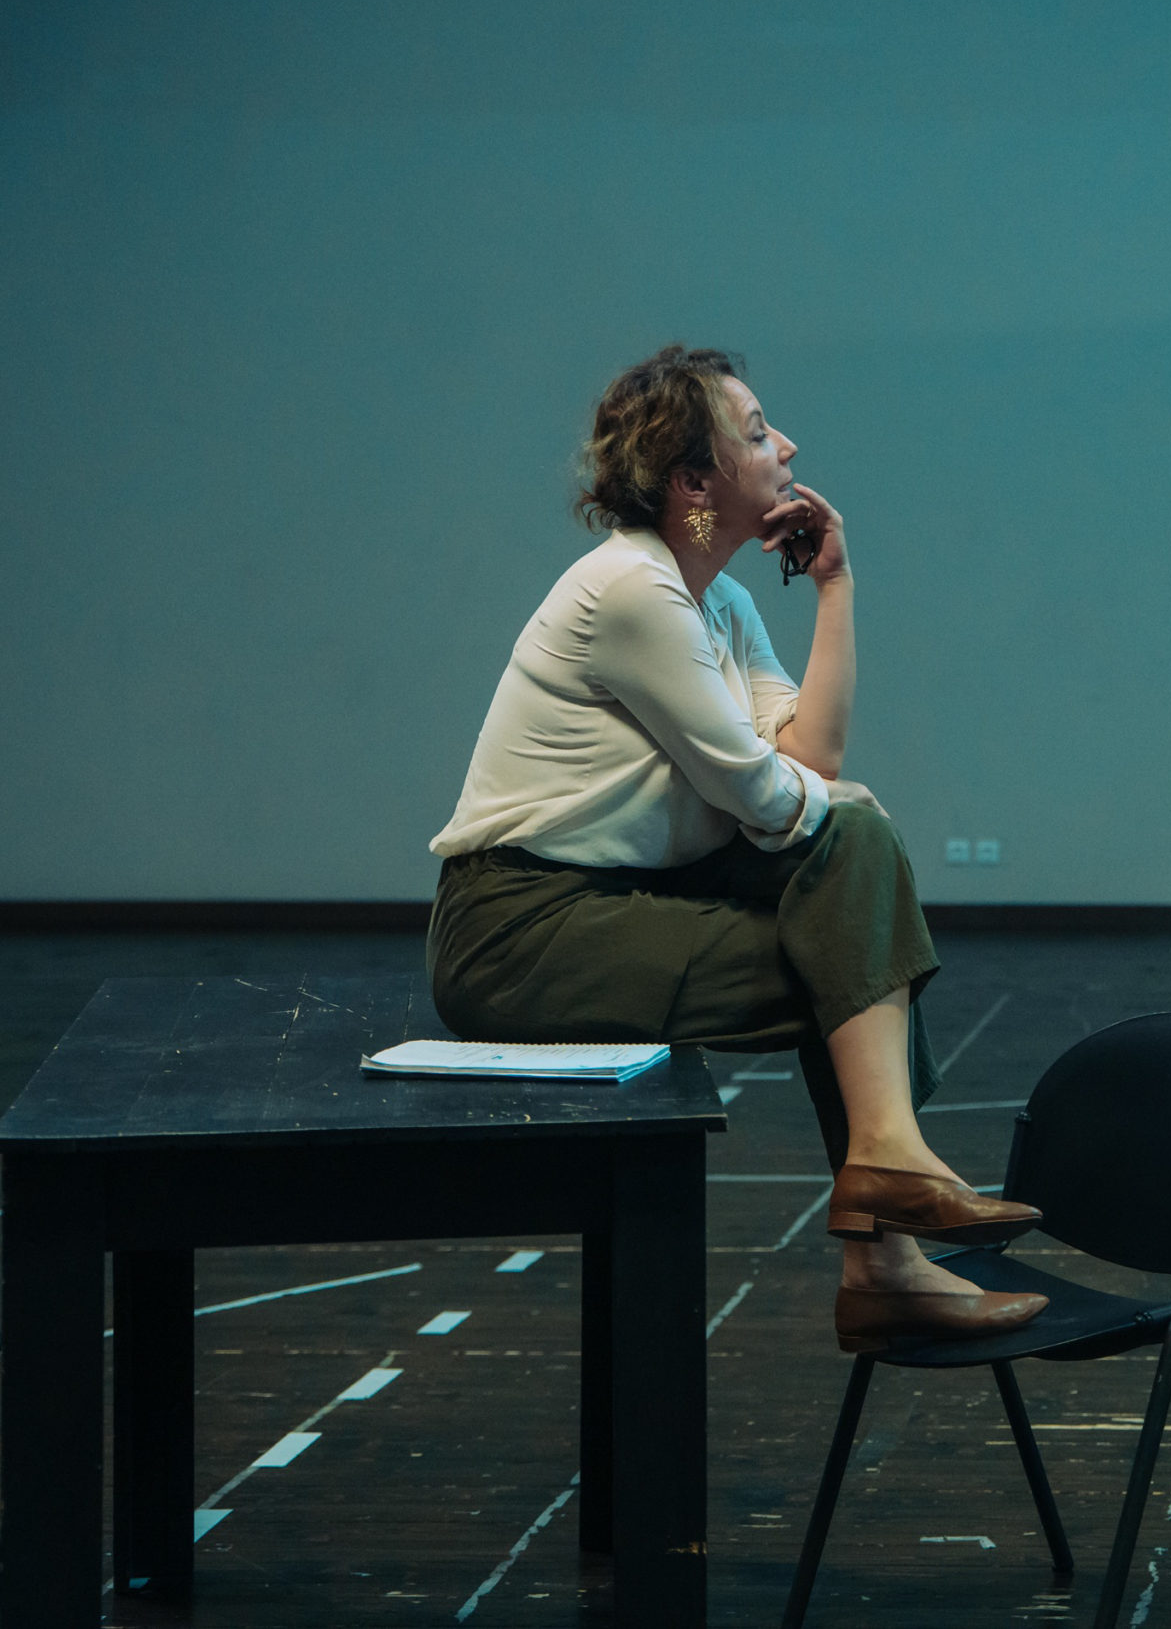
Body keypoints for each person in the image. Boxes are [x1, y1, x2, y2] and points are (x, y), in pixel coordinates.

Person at [427, 345, 1044, 1352]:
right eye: (757, 433)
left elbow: (812, 755)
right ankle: (885, 1247)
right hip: (520, 932)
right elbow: (762, 794)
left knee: (856, 868)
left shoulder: (720, 601)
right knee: (850, 939)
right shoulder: (631, 591)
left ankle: (887, 1177)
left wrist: (834, 586)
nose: (786, 445)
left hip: (621, 897)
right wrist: (833, 801)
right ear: (694, 484)